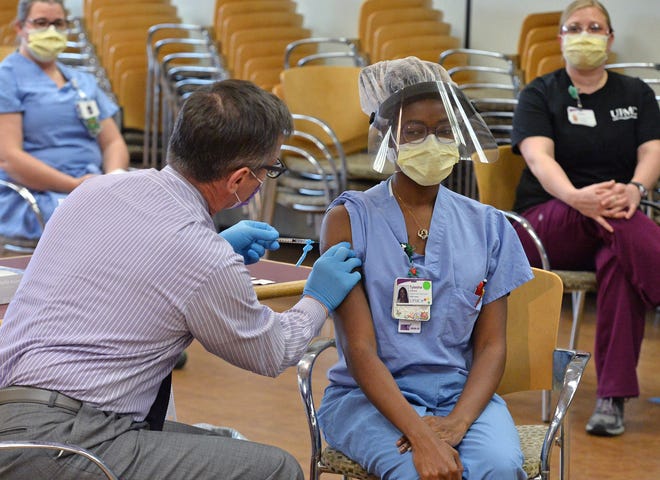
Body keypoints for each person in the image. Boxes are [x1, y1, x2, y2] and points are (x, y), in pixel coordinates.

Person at [0, 79, 362, 479]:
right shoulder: (202, 257)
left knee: (228, 445)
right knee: (274, 469)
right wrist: (318, 297)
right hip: (68, 444)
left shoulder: (97, 190)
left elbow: (134, 267)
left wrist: (215, 245)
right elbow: (271, 352)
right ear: (239, 179)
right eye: (269, 169)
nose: (266, 178)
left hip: (12, 418)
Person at [317, 57, 534, 480]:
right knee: (421, 473)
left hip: (459, 395)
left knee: (499, 468)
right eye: (414, 131)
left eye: (444, 130)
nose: (431, 142)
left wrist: (456, 423)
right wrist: (421, 436)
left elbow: (491, 347)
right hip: (368, 397)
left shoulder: (488, 226)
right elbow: (358, 349)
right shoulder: (349, 219)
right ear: (387, 138)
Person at [511, 0, 660, 437]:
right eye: (574, 27)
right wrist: (579, 198)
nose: (585, 34)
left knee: (618, 259)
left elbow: (653, 152)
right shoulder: (539, 92)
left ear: (610, 39)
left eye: (595, 27)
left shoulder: (636, 93)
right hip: (546, 222)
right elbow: (539, 159)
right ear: (560, 39)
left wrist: (634, 189)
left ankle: (611, 400)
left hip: (616, 220)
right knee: (618, 222)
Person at [0, 0, 129, 242]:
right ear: (20, 27)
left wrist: (113, 178)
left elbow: (112, 142)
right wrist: (74, 185)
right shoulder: (6, 79)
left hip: (92, 189)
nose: (51, 30)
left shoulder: (81, 81)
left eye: (58, 23)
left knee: (147, 216)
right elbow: (8, 157)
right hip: (36, 194)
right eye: (41, 23)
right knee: (105, 230)